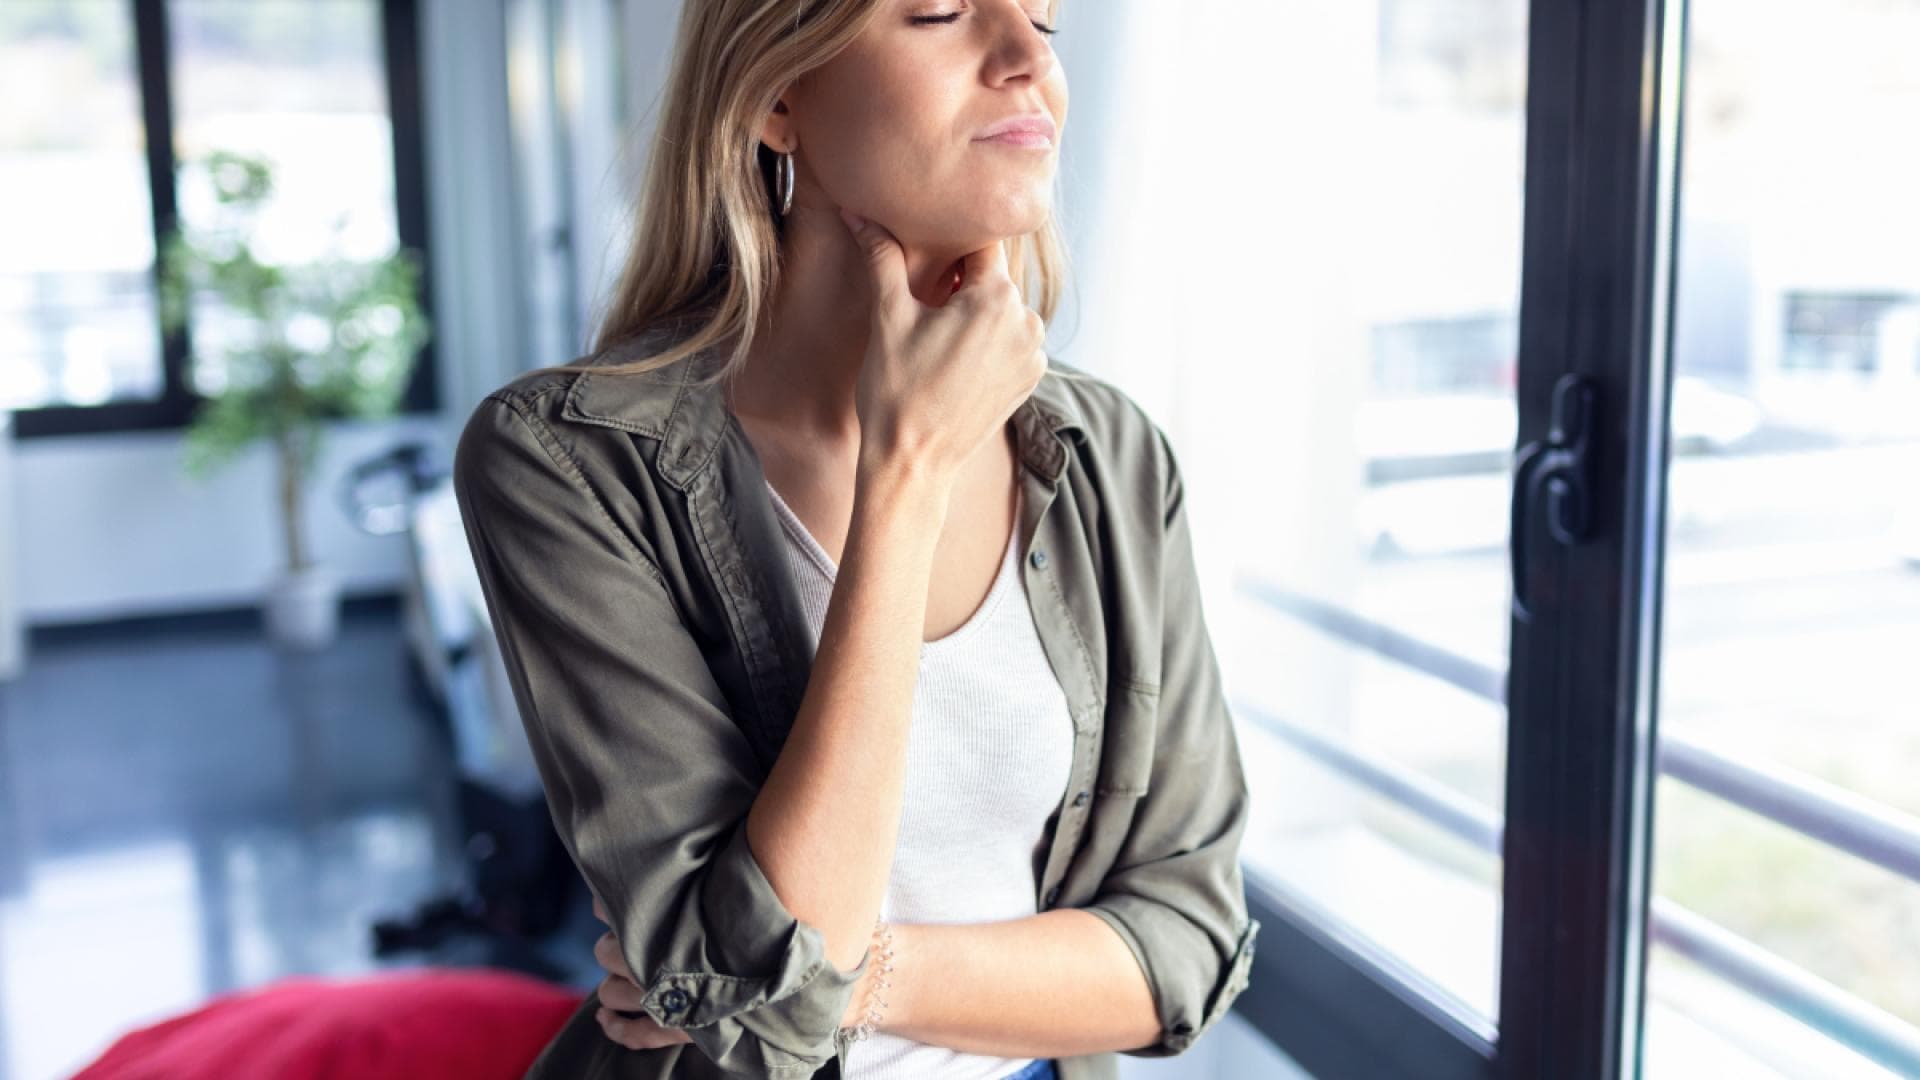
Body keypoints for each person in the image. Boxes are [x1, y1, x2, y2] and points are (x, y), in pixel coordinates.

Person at [449, 1, 1260, 1077]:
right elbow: (747, 1040)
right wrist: (909, 474)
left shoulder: (1110, 456)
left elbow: (1187, 948)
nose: (1027, 61)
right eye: (937, 12)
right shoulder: (564, 462)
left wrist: (863, 974)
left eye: (1047, 18)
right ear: (777, 96)